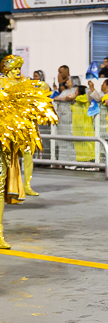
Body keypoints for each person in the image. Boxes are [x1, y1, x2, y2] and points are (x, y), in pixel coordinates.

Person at [0, 56, 59, 249]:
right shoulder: (1, 84)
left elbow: (42, 90)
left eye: (19, 69)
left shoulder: (22, 86)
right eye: (15, 69)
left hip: (7, 144)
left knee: (0, 187)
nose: (18, 72)